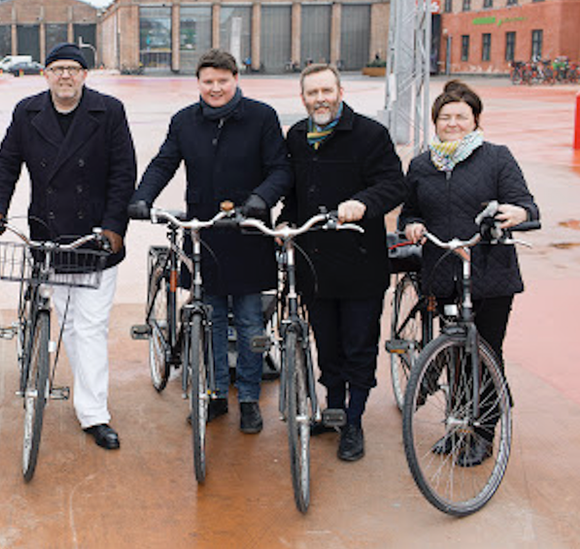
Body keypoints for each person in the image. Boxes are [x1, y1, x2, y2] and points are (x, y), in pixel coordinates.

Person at [129, 48, 292, 434]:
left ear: (236, 79)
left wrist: (259, 201)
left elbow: (281, 169)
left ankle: (249, 399)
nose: (215, 88)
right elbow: (164, 162)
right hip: (205, 234)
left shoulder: (261, 117)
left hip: (250, 232)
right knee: (212, 320)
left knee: (252, 322)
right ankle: (217, 394)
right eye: (208, 81)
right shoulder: (185, 121)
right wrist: (141, 197)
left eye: (223, 80)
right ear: (198, 83)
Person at [0, 43, 136, 450]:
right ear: (45, 74)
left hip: (95, 238)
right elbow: (7, 162)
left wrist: (115, 226)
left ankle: (94, 414)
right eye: (57, 68)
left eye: (73, 68)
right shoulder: (27, 111)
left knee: (89, 327)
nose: (65, 75)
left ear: (85, 74)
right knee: (69, 322)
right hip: (47, 232)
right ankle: (79, 392)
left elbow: (124, 172)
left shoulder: (109, 111)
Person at [399, 80, 539, 466]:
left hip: (490, 273)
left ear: (475, 120)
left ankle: (483, 432)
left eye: (461, 116)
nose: (453, 123)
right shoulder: (422, 164)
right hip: (443, 272)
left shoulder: (496, 157)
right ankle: (459, 424)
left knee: (486, 352)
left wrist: (518, 214)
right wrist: (410, 225)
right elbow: (411, 211)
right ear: (435, 122)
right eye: (445, 117)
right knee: (456, 353)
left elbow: (527, 205)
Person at [279, 64, 406, 461]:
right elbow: (295, 194)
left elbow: (393, 184)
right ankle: (333, 411)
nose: (320, 98)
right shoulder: (298, 136)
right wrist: (285, 219)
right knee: (327, 345)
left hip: (359, 265)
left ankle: (353, 421)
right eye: (312, 92)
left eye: (326, 91)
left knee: (357, 346)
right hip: (314, 264)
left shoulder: (370, 134)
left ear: (340, 91)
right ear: (303, 98)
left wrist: (363, 203)